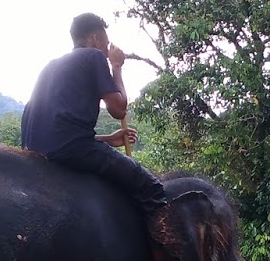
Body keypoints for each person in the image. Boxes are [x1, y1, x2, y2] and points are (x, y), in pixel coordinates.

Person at [20, 13, 167, 214]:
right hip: (70, 151)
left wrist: (106, 139)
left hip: (34, 151)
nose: (107, 50)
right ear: (96, 39)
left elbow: (56, 131)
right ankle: (162, 245)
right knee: (152, 188)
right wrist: (116, 66)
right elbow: (118, 109)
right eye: (106, 44)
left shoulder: (50, 66)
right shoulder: (94, 56)